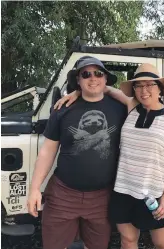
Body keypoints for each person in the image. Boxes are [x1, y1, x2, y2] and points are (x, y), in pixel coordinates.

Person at [54, 63, 164, 249]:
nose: (144, 90)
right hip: (123, 191)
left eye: (150, 85)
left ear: (160, 88)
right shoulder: (131, 107)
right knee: (128, 241)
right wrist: (76, 93)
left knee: (163, 243)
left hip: (153, 194)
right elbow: (103, 88)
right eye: (138, 85)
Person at [27, 56, 126, 249]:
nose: (93, 78)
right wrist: (34, 189)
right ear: (78, 80)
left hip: (102, 198)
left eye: (98, 73)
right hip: (63, 194)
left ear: (106, 78)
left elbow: (145, 107)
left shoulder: (121, 109)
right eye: (86, 74)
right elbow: (48, 151)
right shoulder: (63, 109)